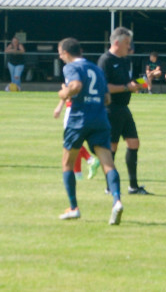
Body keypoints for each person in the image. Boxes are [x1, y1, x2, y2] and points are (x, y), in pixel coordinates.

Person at [53, 37, 124, 225]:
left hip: (79, 119)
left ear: (66, 53)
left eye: (60, 54)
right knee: (108, 163)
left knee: (67, 163)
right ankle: (117, 201)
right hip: (100, 118)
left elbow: (75, 86)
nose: (60, 57)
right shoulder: (96, 69)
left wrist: (63, 93)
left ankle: (73, 208)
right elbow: (107, 98)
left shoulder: (70, 67)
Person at [97, 27, 150, 195]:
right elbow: (104, 87)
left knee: (134, 143)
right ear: (116, 42)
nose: (129, 46)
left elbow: (131, 81)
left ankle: (133, 186)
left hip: (124, 108)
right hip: (110, 109)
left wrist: (147, 80)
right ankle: (109, 186)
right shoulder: (105, 60)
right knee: (111, 148)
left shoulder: (124, 60)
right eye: (127, 43)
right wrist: (127, 87)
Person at [54, 99, 102, 181]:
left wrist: (60, 104)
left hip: (72, 109)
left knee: (70, 142)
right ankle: (79, 173)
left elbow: (67, 92)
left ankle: (89, 161)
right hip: (83, 109)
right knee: (74, 142)